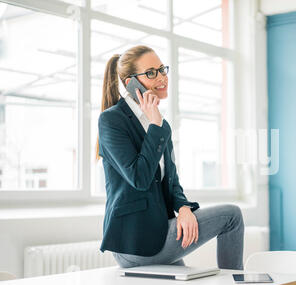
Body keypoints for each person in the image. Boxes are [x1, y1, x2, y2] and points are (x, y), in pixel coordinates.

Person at [95, 45, 244, 269]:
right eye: (151, 73)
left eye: (162, 69)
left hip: (159, 230)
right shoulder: (112, 120)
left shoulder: (161, 125)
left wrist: (184, 208)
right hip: (134, 242)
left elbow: (171, 180)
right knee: (232, 216)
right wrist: (154, 125)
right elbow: (139, 178)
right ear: (131, 83)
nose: (162, 77)